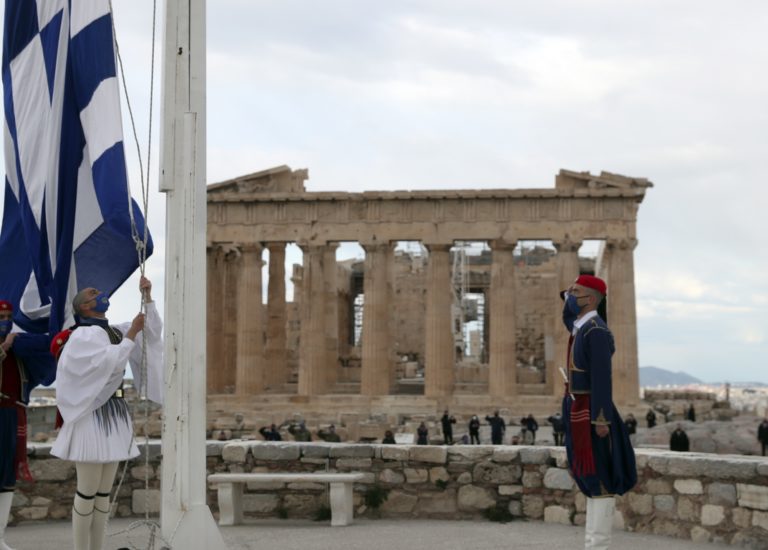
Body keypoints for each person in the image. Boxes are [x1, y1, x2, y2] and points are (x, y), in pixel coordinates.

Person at [51, 277, 163, 550]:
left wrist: (147, 297)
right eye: (94, 293)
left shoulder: (112, 331)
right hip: (92, 415)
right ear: (86, 307)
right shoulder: (82, 336)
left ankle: (97, 547)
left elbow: (153, 332)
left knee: (103, 493)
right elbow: (107, 364)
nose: (100, 293)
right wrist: (131, 336)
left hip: (114, 414)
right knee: (87, 490)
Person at [560, 275, 636, 550]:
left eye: (575, 291)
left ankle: (598, 546)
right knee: (589, 480)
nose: (569, 295)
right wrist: (567, 301)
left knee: (601, 479)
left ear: (590, 299)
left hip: (591, 411)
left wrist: (600, 419)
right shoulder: (582, 328)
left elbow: (602, 378)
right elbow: (569, 319)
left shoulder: (597, 331)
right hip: (578, 408)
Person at [0, 301, 57, 550]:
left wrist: (18, 341)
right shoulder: (9, 347)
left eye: (8, 316)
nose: (5, 320)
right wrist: (5, 346)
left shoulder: (20, 351)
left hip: (12, 418)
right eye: (0, 316)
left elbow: (52, 345)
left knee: (7, 478)